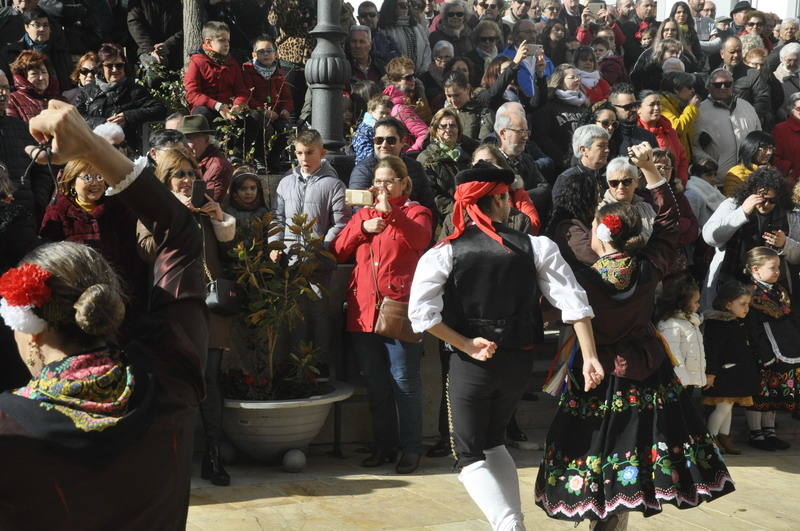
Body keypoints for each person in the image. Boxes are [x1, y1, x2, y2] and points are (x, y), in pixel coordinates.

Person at [0, 100, 205, 528]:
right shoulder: (173, 375)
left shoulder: (11, 432)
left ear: (30, 328)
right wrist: (91, 146)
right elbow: (181, 231)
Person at [535, 142, 734, 526]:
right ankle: (614, 518)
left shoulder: (586, 281)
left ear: (604, 235)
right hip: (646, 369)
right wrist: (651, 173)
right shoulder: (648, 267)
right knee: (636, 450)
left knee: (599, 449)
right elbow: (669, 223)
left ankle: (603, 519)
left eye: (594, 227)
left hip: (599, 373)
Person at [409, 162, 599, 531]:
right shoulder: (536, 247)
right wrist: (590, 356)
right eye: (508, 197)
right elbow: (575, 303)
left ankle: (509, 525)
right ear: (496, 200)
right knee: (494, 442)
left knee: (468, 454)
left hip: (472, 365)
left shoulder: (445, 252)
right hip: (517, 365)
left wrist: (465, 343)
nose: (513, 204)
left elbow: (422, 316)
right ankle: (513, 524)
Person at [137, 145, 236, 486]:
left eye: (191, 174)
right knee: (176, 381)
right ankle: (174, 459)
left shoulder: (205, 208)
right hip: (174, 305)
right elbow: (147, 251)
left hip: (210, 306)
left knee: (210, 380)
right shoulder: (153, 209)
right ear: (164, 178)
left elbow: (230, 250)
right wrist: (174, 217)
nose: (186, 180)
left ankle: (213, 456)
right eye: (178, 174)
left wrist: (218, 217)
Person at [332, 156, 432, 474]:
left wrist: (393, 217)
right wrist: (362, 227)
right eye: (378, 181)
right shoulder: (363, 214)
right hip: (363, 312)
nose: (383, 187)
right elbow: (338, 250)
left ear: (404, 183)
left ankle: (411, 448)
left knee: (405, 382)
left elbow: (420, 240)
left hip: (398, 310)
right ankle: (384, 445)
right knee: (376, 384)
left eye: (389, 180)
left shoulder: (417, 212)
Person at [270, 129, 351, 369]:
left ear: (322, 152)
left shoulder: (334, 184)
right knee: (294, 316)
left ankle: (321, 369)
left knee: (319, 314)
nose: (304, 158)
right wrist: (275, 246)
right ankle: (295, 369)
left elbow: (341, 223)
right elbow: (277, 218)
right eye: (300, 153)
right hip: (290, 261)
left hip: (319, 262)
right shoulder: (285, 182)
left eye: (309, 153)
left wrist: (321, 248)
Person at [701, 167, 796, 310]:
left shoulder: (788, 215)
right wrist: (742, 212)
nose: (766, 205)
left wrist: (785, 244)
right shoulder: (733, 205)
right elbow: (710, 237)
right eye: (762, 199)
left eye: (772, 201)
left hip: (773, 292)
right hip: (730, 281)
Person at [743, 246, 800, 451]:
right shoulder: (750, 294)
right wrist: (763, 352)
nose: (778, 271)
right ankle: (756, 434)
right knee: (759, 393)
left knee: (773, 392)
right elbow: (751, 327)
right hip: (761, 350)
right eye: (772, 267)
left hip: (783, 346)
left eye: (778, 267)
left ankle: (769, 431)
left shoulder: (780, 291)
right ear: (756, 269)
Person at [74, 42, 166, 153]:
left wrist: (127, 116)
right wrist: (103, 123)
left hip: (126, 150)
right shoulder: (88, 90)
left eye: (119, 65)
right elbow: (76, 115)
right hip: (94, 148)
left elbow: (159, 109)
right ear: (101, 68)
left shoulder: (134, 90)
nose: (115, 69)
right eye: (109, 65)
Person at [702, 281, 758, 455]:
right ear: (727, 304)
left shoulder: (738, 322)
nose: (746, 308)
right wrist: (711, 373)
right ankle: (710, 439)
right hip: (724, 373)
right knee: (723, 407)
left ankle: (724, 436)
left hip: (736, 373)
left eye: (748, 304)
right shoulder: (718, 325)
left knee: (729, 406)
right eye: (742, 304)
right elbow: (713, 351)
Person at [349, 117, 438, 223]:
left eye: (390, 140)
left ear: (402, 141)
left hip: (412, 228)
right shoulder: (363, 171)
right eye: (379, 140)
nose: (384, 145)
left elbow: (429, 207)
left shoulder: (415, 167)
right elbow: (358, 211)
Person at [691, 68, 760, 182]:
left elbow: (758, 136)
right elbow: (693, 146)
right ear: (709, 86)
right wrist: (709, 164)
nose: (723, 87)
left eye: (727, 84)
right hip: (718, 180)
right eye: (718, 85)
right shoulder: (699, 110)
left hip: (749, 177)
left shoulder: (746, 106)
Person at [241, 35, 294, 171]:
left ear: (275, 54)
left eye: (269, 51)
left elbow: (287, 98)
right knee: (265, 126)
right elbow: (246, 96)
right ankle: (259, 157)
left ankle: (273, 158)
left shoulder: (279, 73)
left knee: (287, 130)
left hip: (275, 113)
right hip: (257, 112)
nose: (266, 54)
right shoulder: (247, 70)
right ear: (254, 54)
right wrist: (263, 110)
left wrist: (285, 109)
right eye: (261, 51)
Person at [417, 108, 477, 225]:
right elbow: (433, 195)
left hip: (473, 213)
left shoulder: (468, 155)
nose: (448, 129)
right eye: (443, 126)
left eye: (453, 125)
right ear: (435, 131)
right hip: (446, 219)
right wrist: (458, 211)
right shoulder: (426, 158)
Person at [494, 102, 552, 219]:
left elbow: (545, 189)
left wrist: (520, 196)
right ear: (503, 133)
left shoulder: (526, 159)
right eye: (520, 131)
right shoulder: (493, 162)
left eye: (526, 131)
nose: (525, 137)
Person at [184, 21, 249, 122]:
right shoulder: (197, 62)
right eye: (222, 40)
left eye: (228, 40)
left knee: (254, 117)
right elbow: (192, 95)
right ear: (208, 42)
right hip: (208, 108)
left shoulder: (232, 63)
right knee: (201, 115)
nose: (227, 44)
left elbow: (241, 91)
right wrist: (217, 106)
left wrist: (238, 105)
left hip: (230, 109)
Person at [533, 64, 590, 173]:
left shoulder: (583, 105)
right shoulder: (549, 104)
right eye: (572, 77)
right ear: (560, 81)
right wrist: (563, 160)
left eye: (578, 76)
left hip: (584, 162)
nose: (577, 79)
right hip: (560, 165)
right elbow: (542, 136)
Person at [655, 273, 706, 395]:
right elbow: (673, 353)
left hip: (689, 378)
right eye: (695, 302)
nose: (698, 305)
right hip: (679, 380)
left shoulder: (691, 322)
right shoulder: (671, 324)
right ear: (682, 302)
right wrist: (682, 378)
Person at [0, 7, 71, 90]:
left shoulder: (59, 49)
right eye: (37, 25)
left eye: (45, 25)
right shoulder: (10, 52)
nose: (42, 29)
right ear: (26, 27)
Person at [177, 114, 234, 202]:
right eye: (182, 140)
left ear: (206, 139)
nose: (184, 145)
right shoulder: (190, 160)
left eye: (189, 139)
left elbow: (207, 205)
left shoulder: (218, 166)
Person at [719, 36, 773, 129]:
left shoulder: (753, 74)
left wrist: (746, 118)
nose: (736, 55)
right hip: (721, 125)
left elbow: (763, 100)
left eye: (739, 51)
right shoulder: (715, 75)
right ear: (722, 54)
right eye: (732, 52)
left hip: (746, 126)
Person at [637, 90, 690, 184]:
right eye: (652, 104)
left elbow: (682, 159)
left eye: (658, 104)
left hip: (673, 184)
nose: (657, 108)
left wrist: (681, 181)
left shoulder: (669, 130)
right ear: (638, 109)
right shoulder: (636, 132)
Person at [551, 124, 609, 207]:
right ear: (584, 150)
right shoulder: (568, 179)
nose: (607, 150)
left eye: (607, 146)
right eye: (601, 146)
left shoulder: (607, 176)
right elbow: (562, 213)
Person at [5, 49, 60, 122]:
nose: (41, 78)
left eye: (44, 72)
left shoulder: (60, 99)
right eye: (34, 74)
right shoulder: (12, 100)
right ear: (23, 77)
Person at [378, 0, 432, 73]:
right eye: (402, 5)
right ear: (391, 7)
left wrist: (423, 71)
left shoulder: (418, 27)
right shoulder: (385, 30)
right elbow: (384, 57)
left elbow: (427, 49)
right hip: (398, 77)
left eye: (408, 5)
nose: (406, 8)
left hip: (420, 76)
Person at [606, 83, 658, 159]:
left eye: (635, 105)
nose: (634, 109)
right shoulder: (608, 138)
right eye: (628, 107)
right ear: (613, 107)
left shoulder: (648, 137)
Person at [659, 71, 700, 161]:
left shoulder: (679, 104)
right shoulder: (662, 104)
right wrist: (692, 108)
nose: (693, 90)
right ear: (676, 89)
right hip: (673, 162)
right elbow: (676, 128)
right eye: (689, 87)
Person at [723, 131, 777, 196]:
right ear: (751, 148)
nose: (769, 153)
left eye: (771, 148)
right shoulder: (736, 173)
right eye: (765, 148)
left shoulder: (771, 170)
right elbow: (731, 203)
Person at [443, 71, 493, 141]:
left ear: (467, 89)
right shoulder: (444, 113)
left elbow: (483, 145)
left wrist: (457, 138)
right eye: (449, 96)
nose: (453, 100)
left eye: (457, 95)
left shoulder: (484, 113)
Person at [353, 94, 393, 164]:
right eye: (382, 112)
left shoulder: (384, 127)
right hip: (366, 167)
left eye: (387, 113)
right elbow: (365, 153)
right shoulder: (365, 129)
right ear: (371, 111)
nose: (385, 116)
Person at [773, 91, 800, 183]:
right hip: (794, 181)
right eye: (799, 109)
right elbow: (774, 157)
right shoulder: (781, 129)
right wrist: (791, 170)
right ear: (792, 109)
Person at [772, 43, 800, 122]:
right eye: (789, 60)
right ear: (782, 59)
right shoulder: (775, 78)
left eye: (796, 60)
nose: (793, 63)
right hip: (787, 120)